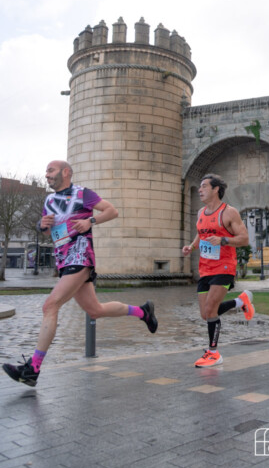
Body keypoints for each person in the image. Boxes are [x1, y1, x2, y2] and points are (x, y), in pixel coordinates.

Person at [2, 160, 158, 387]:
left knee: (50, 305)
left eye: (51, 170)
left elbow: (112, 211)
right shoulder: (49, 200)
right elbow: (46, 232)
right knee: (95, 310)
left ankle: (32, 369)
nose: (47, 175)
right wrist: (42, 225)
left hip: (80, 256)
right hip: (64, 259)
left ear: (66, 172)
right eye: (46, 171)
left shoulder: (82, 194)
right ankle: (143, 312)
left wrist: (90, 221)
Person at [182, 173, 254, 367]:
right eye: (200, 186)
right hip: (205, 268)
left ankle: (213, 353)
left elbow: (244, 239)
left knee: (210, 309)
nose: (200, 190)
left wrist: (223, 240)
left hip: (224, 267)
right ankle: (241, 301)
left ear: (216, 189)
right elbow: (201, 234)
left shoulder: (229, 212)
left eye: (204, 186)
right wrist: (191, 247)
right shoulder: (200, 213)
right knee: (206, 314)